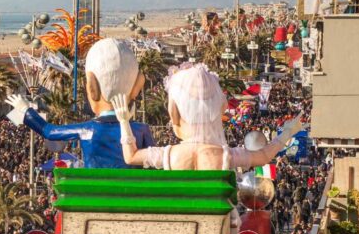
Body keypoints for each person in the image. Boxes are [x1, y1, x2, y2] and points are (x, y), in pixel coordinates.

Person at [113, 63, 304, 171]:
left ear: (176, 114)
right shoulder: (225, 156)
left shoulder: (170, 155)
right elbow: (263, 157)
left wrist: (124, 122)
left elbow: (131, 156)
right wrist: (287, 133)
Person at [7, 38, 153, 168]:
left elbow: (48, 131)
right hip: (133, 196)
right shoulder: (141, 130)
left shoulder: (87, 129)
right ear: (136, 87)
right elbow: (154, 165)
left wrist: (26, 110)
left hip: (93, 196)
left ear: (92, 87)